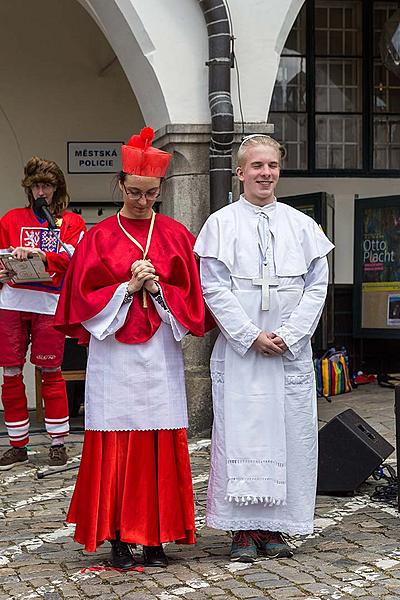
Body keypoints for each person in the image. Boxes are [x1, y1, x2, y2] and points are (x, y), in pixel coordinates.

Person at [54, 127, 209, 570]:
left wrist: (158, 289)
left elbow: (193, 300)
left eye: (152, 193)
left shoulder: (177, 235)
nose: (143, 201)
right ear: (121, 184)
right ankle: (118, 536)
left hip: (159, 353)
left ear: (161, 190)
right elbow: (81, 301)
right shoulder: (100, 236)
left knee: (160, 442)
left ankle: (157, 537)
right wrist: (127, 287)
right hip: (114, 356)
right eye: (136, 192)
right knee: (116, 444)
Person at [194, 134, 334, 562]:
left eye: (272, 166)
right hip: (242, 354)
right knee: (240, 437)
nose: (265, 173)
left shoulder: (301, 225)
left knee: (291, 437)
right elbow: (213, 287)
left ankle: (276, 528)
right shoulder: (220, 224)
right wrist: (250, 334)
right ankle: (241, 531)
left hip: (287, 356)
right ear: (240, 172)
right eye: (257, 166)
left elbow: (317, 285)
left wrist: (290, 335)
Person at [0, 157, 86, 470]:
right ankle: (17, 445)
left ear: (56, 189)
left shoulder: (71, 222)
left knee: (52, 373)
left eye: (47, 185)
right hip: (12, 303)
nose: (41, 191)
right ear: (28, 188)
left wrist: (41, 254)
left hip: (49, 304)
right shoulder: (10, 219)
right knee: (10, 374)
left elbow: (75, 259)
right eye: (36, 185)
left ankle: (58, 444)